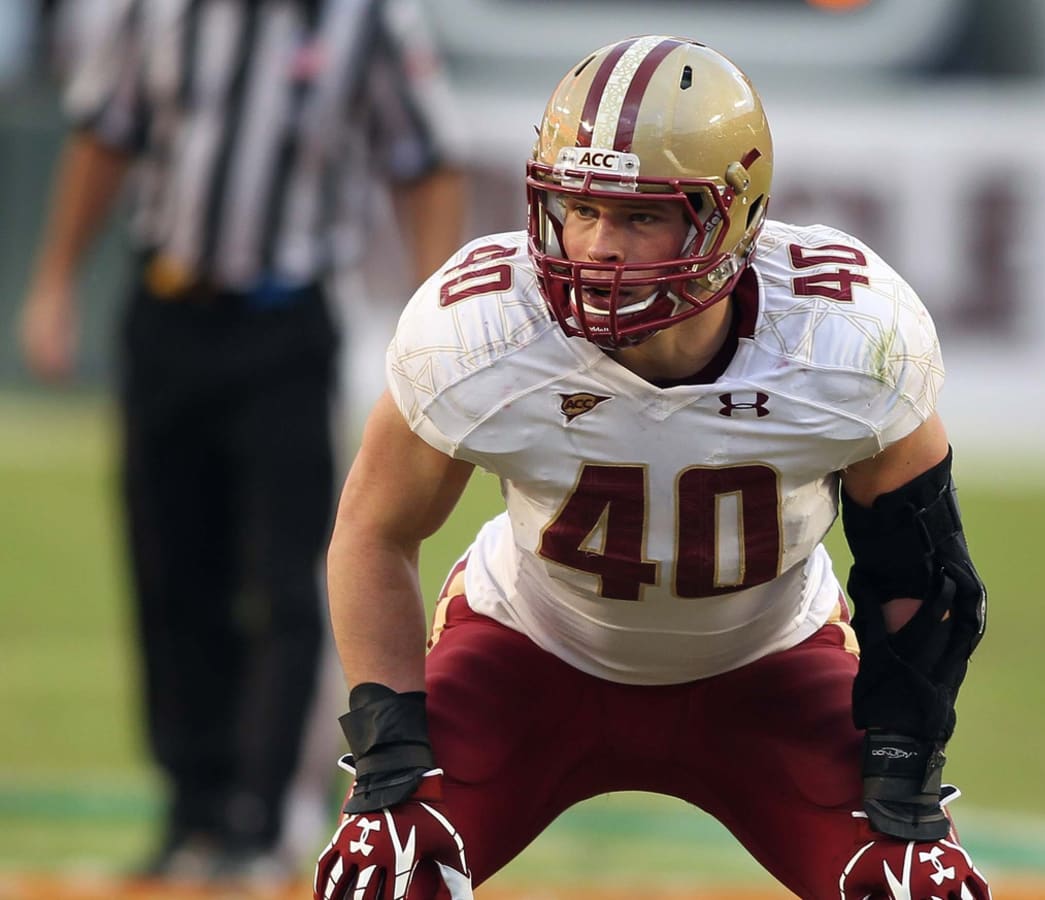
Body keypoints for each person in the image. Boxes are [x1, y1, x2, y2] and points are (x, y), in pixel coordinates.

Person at [313, 35, 990, 900]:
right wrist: (389, 749)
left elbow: (924, 572)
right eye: (580, 208)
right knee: (384, 871)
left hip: (770, 666)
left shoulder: (844, 340)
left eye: (641, 216)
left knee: (916, 888)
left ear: (733, 215)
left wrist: (902, 759)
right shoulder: (484, 331)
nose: (598, 247)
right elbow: (373, 533)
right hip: (530, 652)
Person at [17, 0, 465, 885]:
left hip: (286, 325)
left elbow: (425, 161)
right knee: (168, 568)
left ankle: (257, 822)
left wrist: (434, 323)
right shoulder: (155, 10)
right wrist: (56, 281)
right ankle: (189, 809)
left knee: (286, 576)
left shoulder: (368, 19)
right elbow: (103, 135)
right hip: (166, 311)